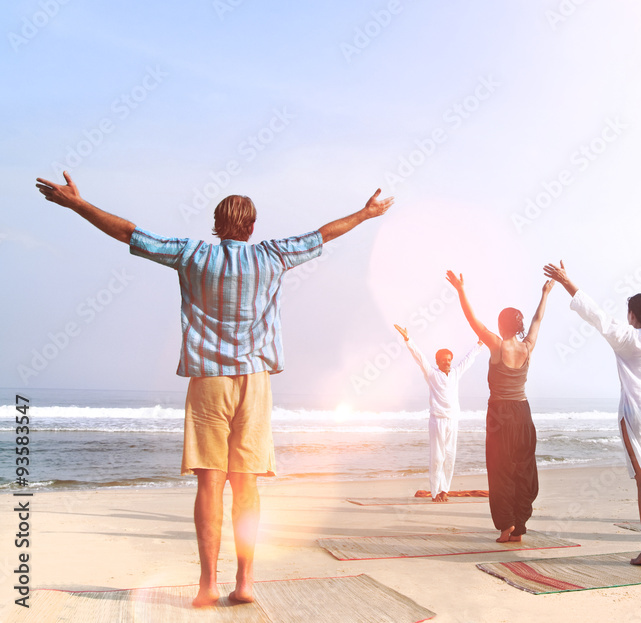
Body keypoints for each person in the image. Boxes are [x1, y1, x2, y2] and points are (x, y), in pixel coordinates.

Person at [36, 171, 393, 606]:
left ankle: (207, 585)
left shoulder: (192, 255)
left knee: (210, 485)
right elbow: (321, 235)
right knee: (246, 485)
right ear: (252, 226)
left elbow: (130, 233)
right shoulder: (273, 255)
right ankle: (243, 583)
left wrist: (78, 205)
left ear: (216, 223)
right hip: (255, 382)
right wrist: (365, 213)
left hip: (208, 381)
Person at [543, 260, 641, 565]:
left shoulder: (627, 337)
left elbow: (594, 314)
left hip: (637, 415)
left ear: (633, 315)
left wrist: (566, 281)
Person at [445, 269, 554, 543]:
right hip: (523, 414)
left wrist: (460, 290)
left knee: (500, 469)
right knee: (522, 467)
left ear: (501, 325)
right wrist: (545, 294)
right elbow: (538, 319)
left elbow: (472, 320)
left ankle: (506, 527)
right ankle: (518, 525)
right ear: (518, 326)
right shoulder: (527, 346)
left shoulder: (496, 345)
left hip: (500, 415)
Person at [394, 324, 483, 502]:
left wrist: (480, 343)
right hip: (437, 421)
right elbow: (419, 358)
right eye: (444, 360)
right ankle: (435, 493)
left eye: (449, 359)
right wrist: (408, 339)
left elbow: (469, 358)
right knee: (437, 458)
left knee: (449, 457)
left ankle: (445, 491)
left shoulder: (456, 373)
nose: (448, 362)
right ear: (438, 362)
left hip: (452, 421)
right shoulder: (432, 374)